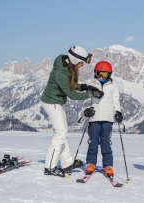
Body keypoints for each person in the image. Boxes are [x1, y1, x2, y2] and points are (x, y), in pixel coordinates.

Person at [41, 45, 104, 178]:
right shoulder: (61, 72)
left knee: (63, 133)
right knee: (61, 133)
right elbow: (72, 94)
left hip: (56, 102)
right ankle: (50, 167)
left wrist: (85, 86)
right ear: (75, 60)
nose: (81, 66)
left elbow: (72, 86)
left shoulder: (67, 66)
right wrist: (91, 95)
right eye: (81, 63)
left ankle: (67, 163)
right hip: (51, 103)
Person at [81, 61, 122, 178]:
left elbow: (116, 103)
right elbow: (86, 101)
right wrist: (86, 111)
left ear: (109, 74)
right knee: (93, 142)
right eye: (99, 74)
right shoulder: (91, 86)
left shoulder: (113, 88)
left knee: (106, 142)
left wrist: (118, 112)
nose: (101, 77)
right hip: (94, 118)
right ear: (95, 73)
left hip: (108, 120)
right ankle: (91, 163)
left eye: (104, 74)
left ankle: (108, 165)